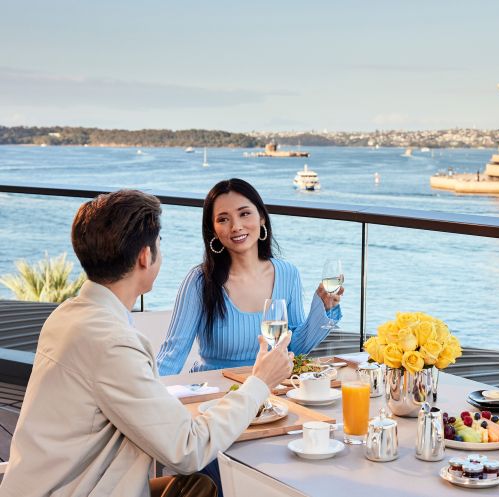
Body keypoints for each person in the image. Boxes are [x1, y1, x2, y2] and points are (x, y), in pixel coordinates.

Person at [0, 190, 293, 497]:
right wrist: (260, 382)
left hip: (42, 483)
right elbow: (188, 449)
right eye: (159, 245)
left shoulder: (69, 315)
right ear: (145, 256)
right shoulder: (110, 342)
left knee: (199, 485)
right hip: (77, 490)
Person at [157, 178, 343, 376]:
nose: (236, 226)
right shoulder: (199, 281)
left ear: (261, 217)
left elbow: (293, 349)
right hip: (216, 396)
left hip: (271, 391)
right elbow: (172, 355)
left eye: (244, 214)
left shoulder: (288, 274)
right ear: (213, 229)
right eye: (223, 219)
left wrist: (323, 308)